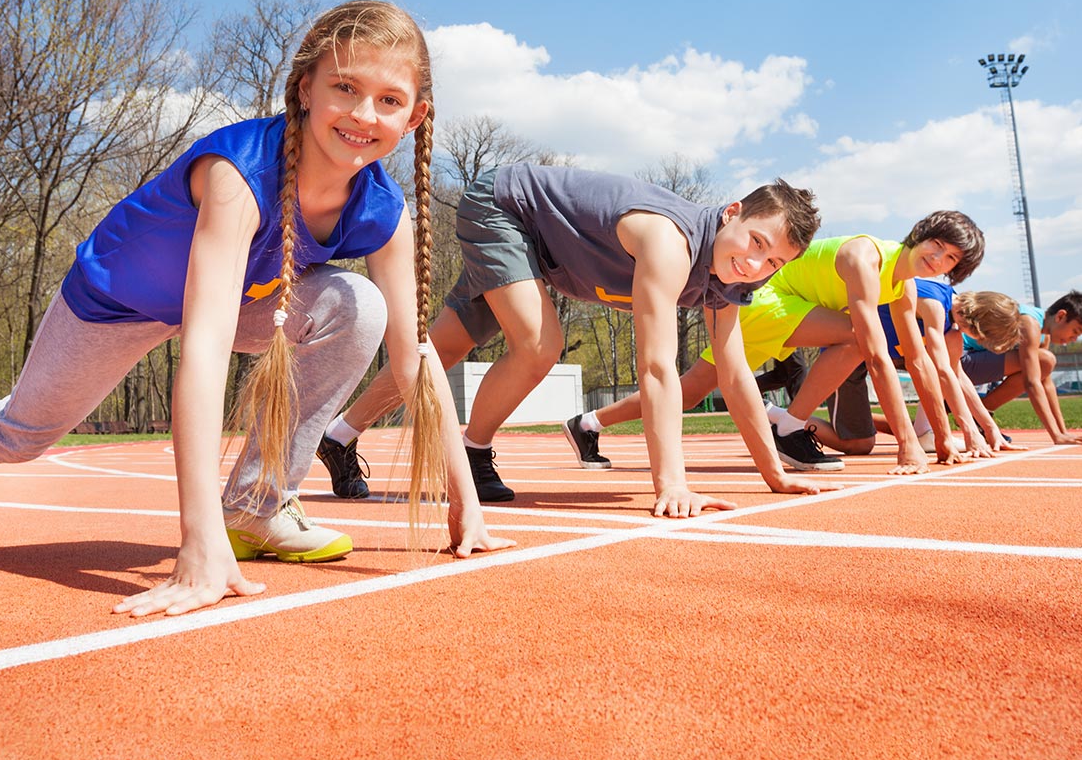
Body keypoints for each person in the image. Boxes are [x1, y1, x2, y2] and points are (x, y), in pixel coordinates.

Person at [0, 0, 513, 617]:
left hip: (244, 303)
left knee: (357, 307)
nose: (362, 113)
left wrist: (466, 504)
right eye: (345, 87)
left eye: (389, 100)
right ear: (304, 91)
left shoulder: (384, 212)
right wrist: (197, 544)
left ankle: (257, 505)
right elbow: (205, 349)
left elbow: (414, 358)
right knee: (22, 435)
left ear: (415, 116)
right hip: (119, 301)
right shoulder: (238, 174)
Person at [317, 169, 838, 516]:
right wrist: (671, 484)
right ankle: (473, 452)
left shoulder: (733, 282)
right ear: (731, 214)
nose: (755, 264)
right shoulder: (670, 242)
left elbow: (734, 371)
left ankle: (338, 435)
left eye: (774, 263)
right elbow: (657, 369)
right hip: (506, 209)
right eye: (756, 242)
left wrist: (774, 473)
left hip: (543, 250)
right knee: (540, 345)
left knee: (442, 348)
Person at [583, 212, 986, 475]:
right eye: (937, 245)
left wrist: (945, 437)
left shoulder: (905, 288)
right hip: (766, 299)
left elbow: (918, 361)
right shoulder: (867, 259)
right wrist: (909, 445)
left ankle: (588, 423)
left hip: (791, 309)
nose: (938, 258)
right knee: (857, 338)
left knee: (689, 390)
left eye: (950, 259)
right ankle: (789, 425)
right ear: (921, 234)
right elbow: (879, 359)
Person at [809, 282, 1022, 458]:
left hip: (883, 354)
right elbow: (941, 371)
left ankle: (923, 432)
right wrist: (970, 431)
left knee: (947, 350)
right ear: (979, 324)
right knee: (858, 445)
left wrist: (989, 427)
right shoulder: (934, 303)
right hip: (847, 351)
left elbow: (957, 374)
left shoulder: (953, 328)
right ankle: (781, 421)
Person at [952, 290, 1082, 446]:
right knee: (1045, 360)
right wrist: (1056, 436)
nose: (1074, 339)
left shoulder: (1044, 332)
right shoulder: (1029, 323)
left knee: (1044, 363)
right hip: (958, 361)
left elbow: (1046, 383)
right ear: (1060, 316)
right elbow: (1031, 382)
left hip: (971, 361)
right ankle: (979, 415)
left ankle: (979, 415)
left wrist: (1063, 432)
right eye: (1075, 331)